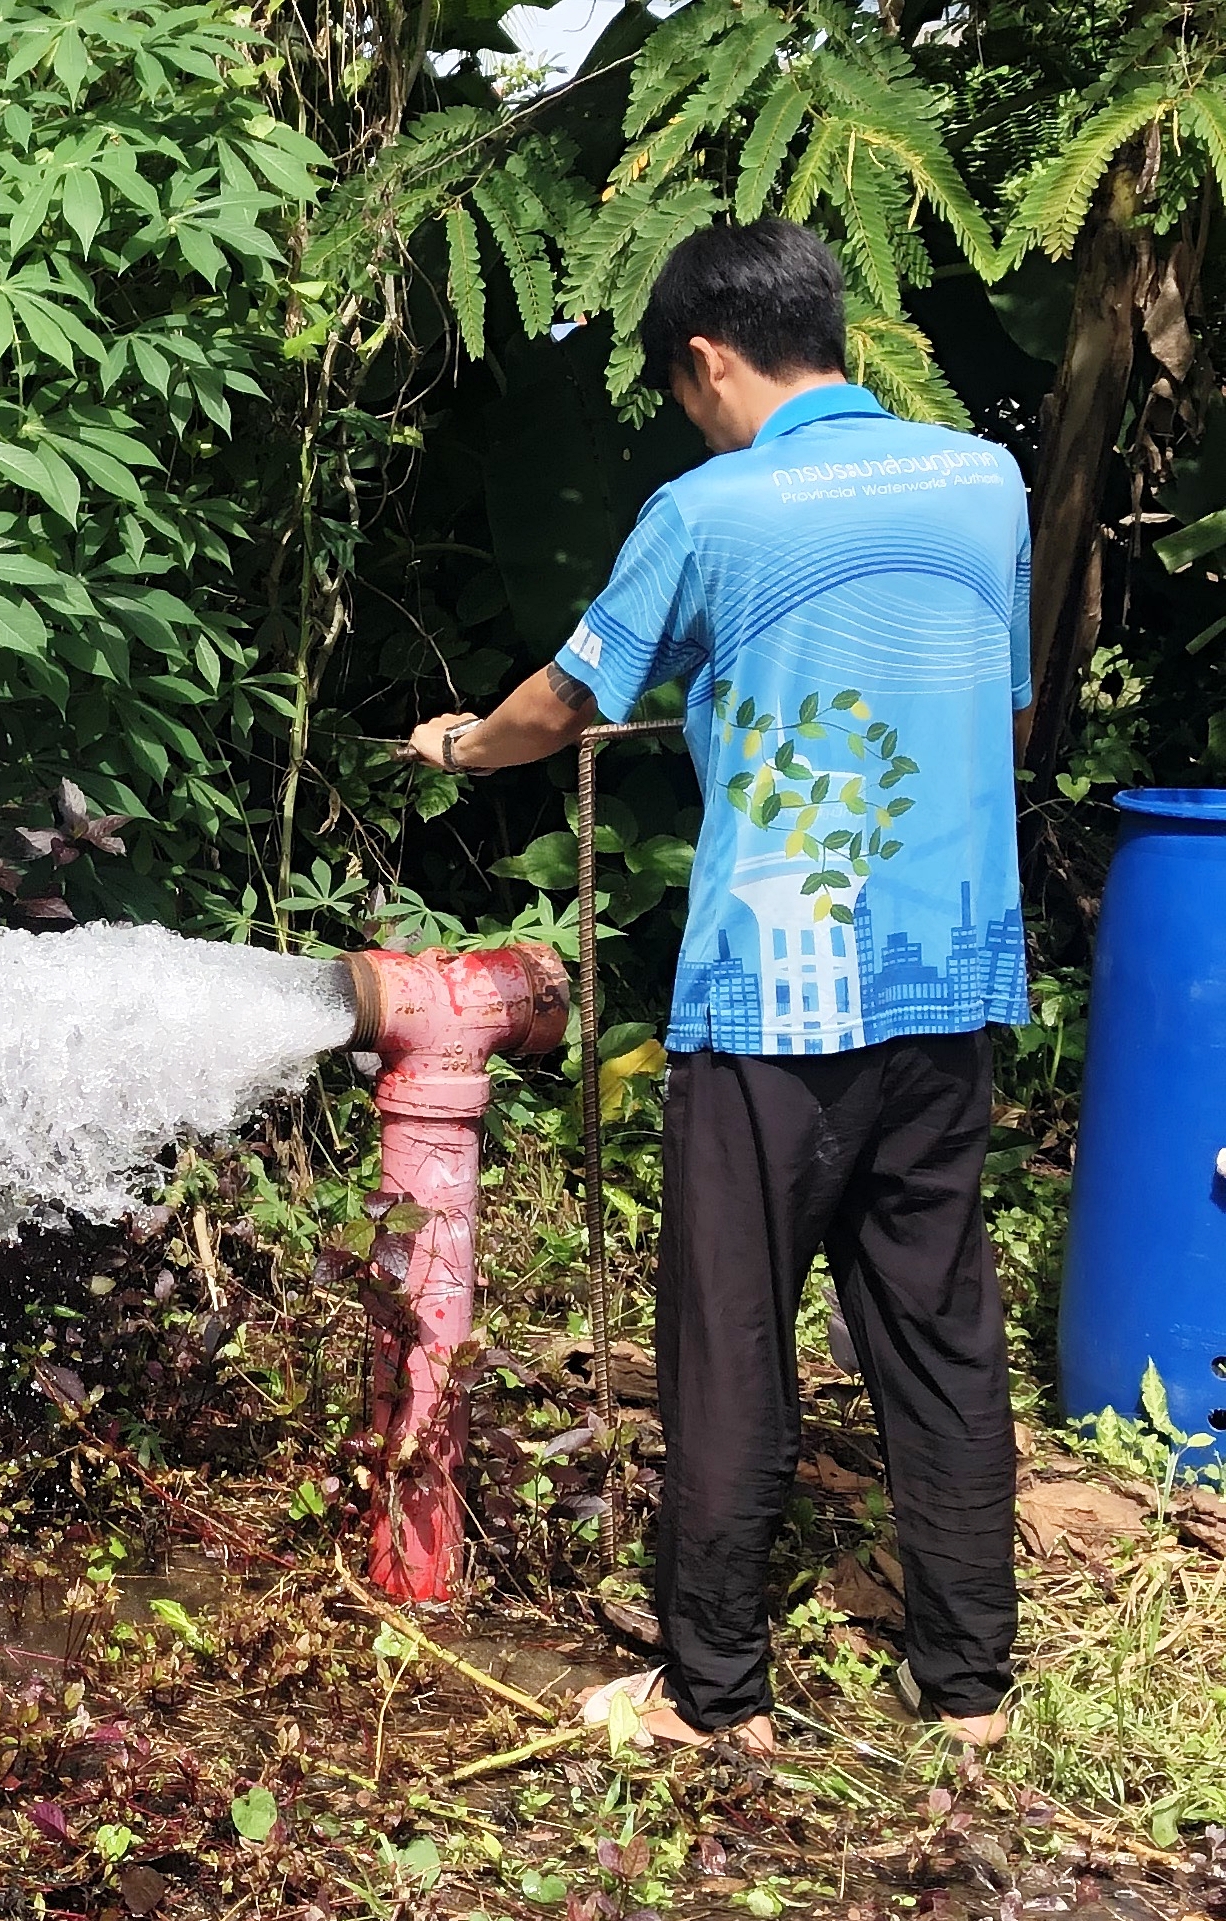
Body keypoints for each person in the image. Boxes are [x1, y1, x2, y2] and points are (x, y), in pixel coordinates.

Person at [404, 219, 1031, 1754]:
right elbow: (1004, 717)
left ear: (705, 359)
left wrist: (463, 746)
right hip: (950, 975)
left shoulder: (709, 510)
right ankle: (970, 1690)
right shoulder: (983, 481)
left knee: (730, 1334)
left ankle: (713, 1692)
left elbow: (567, 699)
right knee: (939, 1325)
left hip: (777, 1001)